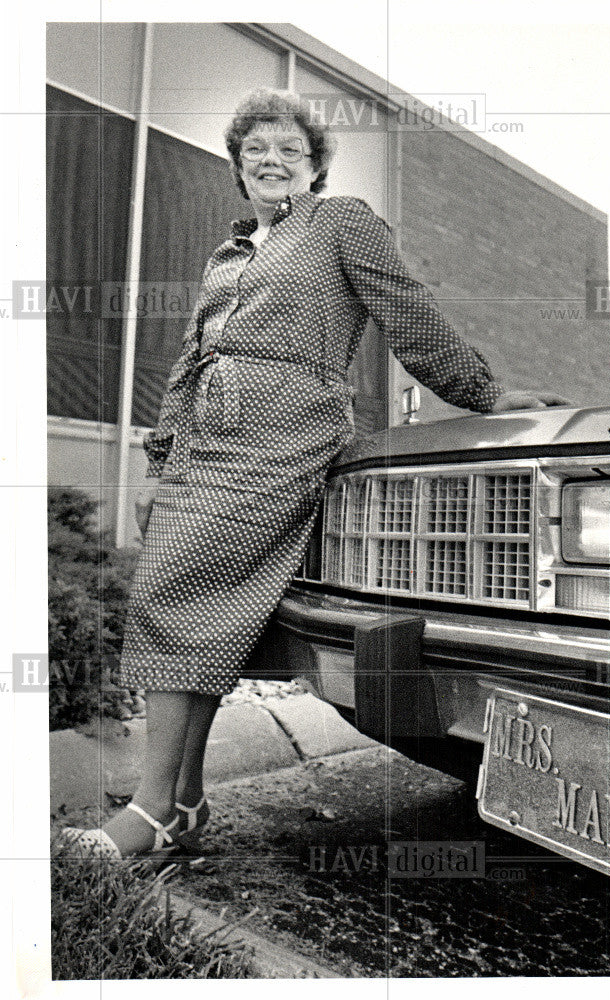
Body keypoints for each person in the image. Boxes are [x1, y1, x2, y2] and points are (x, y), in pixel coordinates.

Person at [61, 88, 567, 859]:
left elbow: (407, 309)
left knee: (176, 599)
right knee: (188, 611)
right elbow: (191, 364)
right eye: (255, 149)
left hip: (284, 433)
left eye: (289, 150)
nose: (271, 161)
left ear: (314, 165)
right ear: (237, 164)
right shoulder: (226, 257)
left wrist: (486, 394)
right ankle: (184, 803)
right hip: (204, 443)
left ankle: (152, 806)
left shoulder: (343, 223)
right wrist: (159, 463)